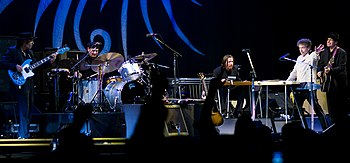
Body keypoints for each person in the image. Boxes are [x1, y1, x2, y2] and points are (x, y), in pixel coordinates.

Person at [0, 32, 57, 139]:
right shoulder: (13, 50)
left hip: (29, 83)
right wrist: (14, 66)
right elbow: (2, 63)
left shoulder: (30, 53)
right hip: (19, 83)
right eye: (31, 41)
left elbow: (35, 67)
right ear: (25, 42)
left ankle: (25, 134)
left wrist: (50, 62)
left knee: (30, 109)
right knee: (24, 109)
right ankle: (23, 135)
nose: (33, 43)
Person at [286, 38, 328, 131]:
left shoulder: (311, 56)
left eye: (303, 48)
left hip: (309, 86)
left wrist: (316, 53)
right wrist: (287, 81)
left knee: (316, 108)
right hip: (300, 86)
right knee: (297, 108)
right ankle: (296, 129)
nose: (301, 50)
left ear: (308, 48)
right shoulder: (299, 58)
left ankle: (326, 128)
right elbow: (294, 72)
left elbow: (314, 58)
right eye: (299, 48)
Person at [316, 32, 349, 133]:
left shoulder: (341, 52)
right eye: (327, 40)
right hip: (328, 84)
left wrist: (331, 70)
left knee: (340, 105)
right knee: (330, 106)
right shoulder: (324, 52)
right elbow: (320, 64)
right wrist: (319, 71)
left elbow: (342, 67)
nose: (328, 41)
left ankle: (342, 126)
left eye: (330, 40)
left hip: (339, 83)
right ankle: (333, 125)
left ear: (336, 42)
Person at [212, 54, 248, 118]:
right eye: (229, 62)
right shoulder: (218, 71)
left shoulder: (235, 69)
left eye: (232, 62)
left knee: (241, 90)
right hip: (222, 93)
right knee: (222, 89)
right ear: (224, 63)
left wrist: (242, 82)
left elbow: (238, 79)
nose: (231, 64)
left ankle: (238, 111)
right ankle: (224, 111)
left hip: (232, 91)